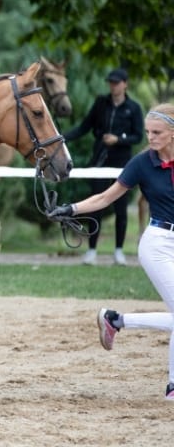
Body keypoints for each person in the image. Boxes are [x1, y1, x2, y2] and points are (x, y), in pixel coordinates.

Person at [49, 103, 174, 400]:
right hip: (158, 243)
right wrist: (71, 209)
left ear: (172, 132)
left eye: (157, 132)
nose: (151, 137)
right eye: (147, 132)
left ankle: (118, 322)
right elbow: (106, 197)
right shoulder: (142, 163)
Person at [63, 68, 144, 265]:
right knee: (95, 205)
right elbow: (84, 127)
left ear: (125, 84)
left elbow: (138, 136)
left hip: (122, 163)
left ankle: (118, 251)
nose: (113, 86)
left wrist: (118, 139)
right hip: (100, 160)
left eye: (116, 83)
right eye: (111, 82)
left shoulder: (133, 108)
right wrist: (61, 138)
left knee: (121, 208)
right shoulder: (101, 104)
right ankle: (91, 250)